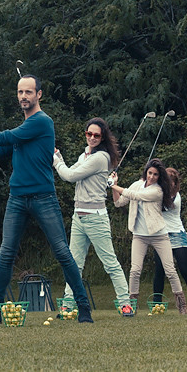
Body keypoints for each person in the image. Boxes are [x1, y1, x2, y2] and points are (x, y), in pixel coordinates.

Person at [0, 75, 94, 324]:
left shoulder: (42, 122)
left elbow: (7, 136)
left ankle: (83, 307)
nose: (23, 96)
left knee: (61, 251)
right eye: (20, 92)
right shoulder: (23, 130)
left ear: (39, 94)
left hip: (43, 197)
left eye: (28, 92)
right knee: (6, 253)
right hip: (17, 198)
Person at [53, 118, 133, 316]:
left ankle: (125, 304)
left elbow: (70, 176)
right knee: (74, 264)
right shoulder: (85, 155)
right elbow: (76, 171)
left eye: (96, 135)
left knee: (110, 263)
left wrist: (56, 160)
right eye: (89, 134)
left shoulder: (101, 157)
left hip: (95, 217)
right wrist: (60, 157)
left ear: (102, 137)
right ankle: (67, 305)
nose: (92, 138)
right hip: (78, 216)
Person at [110, 158, 187, 314]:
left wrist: (113, 185)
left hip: (159, 235)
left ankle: (182, 307)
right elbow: (119, 203)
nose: (152, 177)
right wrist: (113, 186)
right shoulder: (137, 185)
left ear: (160, 177)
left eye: (156, 174)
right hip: (139, 235)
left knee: (170, 270)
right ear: (146, 172)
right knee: (135, 270)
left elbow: (136, 196)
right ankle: (132, 305)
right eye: (150, 173)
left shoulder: (158, 190)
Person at [152, 168, 187, 313]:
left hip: (177, 235)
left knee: (185, 270)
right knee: (159, 271)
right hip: (161, 236)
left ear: (175, 183)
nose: (167, 184)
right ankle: (157, 306)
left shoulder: (174, 196)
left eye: (170, 181)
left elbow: (162, 205)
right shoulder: (157, 192)